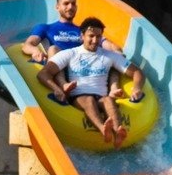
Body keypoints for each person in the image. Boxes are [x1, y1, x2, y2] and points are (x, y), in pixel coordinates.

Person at [37, 17, 144, 148]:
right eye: (91, 36)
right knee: (89, 100)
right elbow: (43, 73)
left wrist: (137, 88)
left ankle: (118, 133)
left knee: (108, 100)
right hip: (78, 97)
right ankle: (103, 129)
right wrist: (56, 89)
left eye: (98, 36)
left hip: (101, 97)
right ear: (82, 36)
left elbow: (137, 72)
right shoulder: (71, 54)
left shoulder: (109, 56)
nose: (95, 40)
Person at [23, 0, 83, 66]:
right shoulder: (45, 28)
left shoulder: (83, 31)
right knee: (53, 49)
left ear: (76, 7)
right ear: (57, 7)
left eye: (73, 4)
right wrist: (36, 51)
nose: (70, 7)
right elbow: (27, 45)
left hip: (76, 66)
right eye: (66, 3)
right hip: (55, 65)